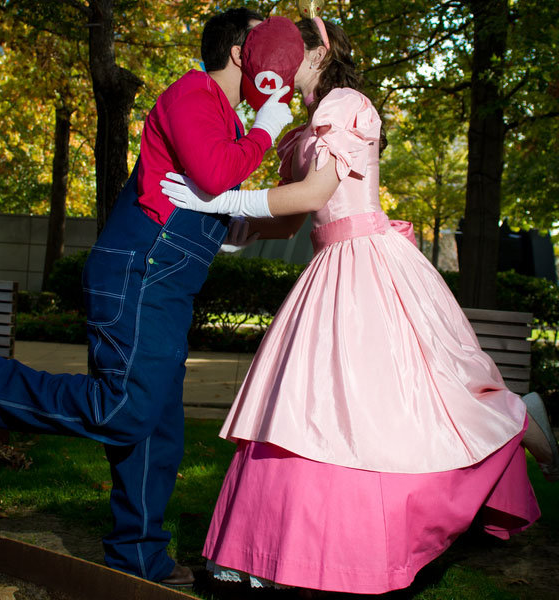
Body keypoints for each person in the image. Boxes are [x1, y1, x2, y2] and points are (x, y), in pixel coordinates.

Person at [160, 15, 559, 595]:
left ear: (317, 52)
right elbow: (292, 217)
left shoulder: (346, 104)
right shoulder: (300, 135)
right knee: (308, 408)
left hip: (369, 263)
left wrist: (223, 194)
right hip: (329, 268)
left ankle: (518, 419)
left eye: (291, 46)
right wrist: (217, 224)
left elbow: (320, 192)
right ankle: (266, 552)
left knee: (399, 405)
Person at [0, 8, 298, 587]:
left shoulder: (226, 122)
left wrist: (291, 201)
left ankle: (139, 559)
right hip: (138, 272)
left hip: (168, 282)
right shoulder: (192, 95)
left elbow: (222, 215)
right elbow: (216, 176)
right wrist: (267, 129)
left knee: (158, 427)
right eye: (265, 48)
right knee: (125, 410)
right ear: (242, 52)